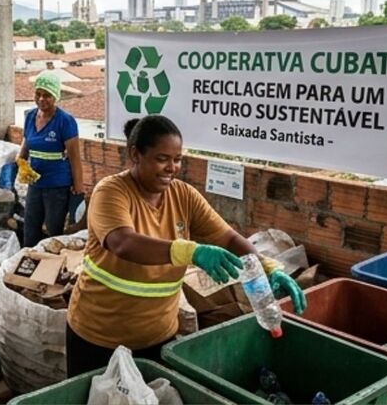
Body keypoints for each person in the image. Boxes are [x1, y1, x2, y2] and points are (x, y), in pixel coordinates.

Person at [65, 115, 307, 377]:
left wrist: (268, 267)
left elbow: (229, 238)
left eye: (177, 159)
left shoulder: (184, 196)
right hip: (99, 338)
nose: (172, 167)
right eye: (162, 158)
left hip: (158, 337)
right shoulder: (111, 192)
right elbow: (123, 243)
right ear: (135, 154)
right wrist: (191, 251)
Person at [18, 72, 84, 247]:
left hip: (57, 186)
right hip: (35, 184)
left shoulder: (65, 121)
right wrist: (21, 162)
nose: (41, 99)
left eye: (46, 95)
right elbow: (26, 145)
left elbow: (75, 158)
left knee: (54, 230)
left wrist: (78, 189)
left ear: (55, 96)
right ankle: (29, 264)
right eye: (38, 94)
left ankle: (52, 268)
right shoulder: (30, 117)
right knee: (30, 228)